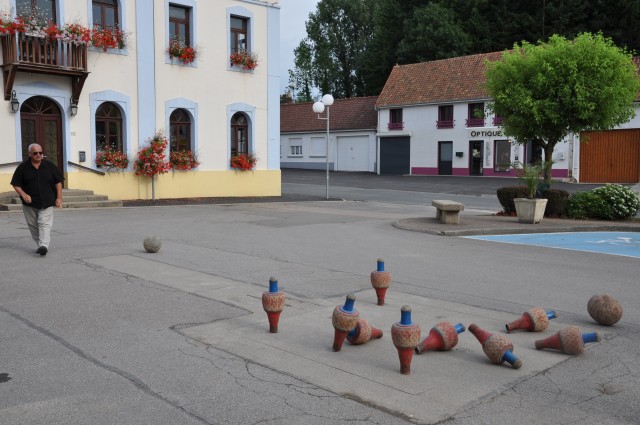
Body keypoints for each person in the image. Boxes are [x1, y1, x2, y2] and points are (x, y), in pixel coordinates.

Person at [11, 143, 64, 256]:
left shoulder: (50, 166)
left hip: (47, 200)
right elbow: (15, 184)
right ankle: (40, 244)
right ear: (30, 154)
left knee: (44, 223)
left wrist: (59, 197)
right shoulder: (23, 167)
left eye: (40, 152)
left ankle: (43, 245)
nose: (38, 155)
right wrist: (24, 194)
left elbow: (58, 182)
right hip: (29, 203)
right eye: (35, 153)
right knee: (33, 225)